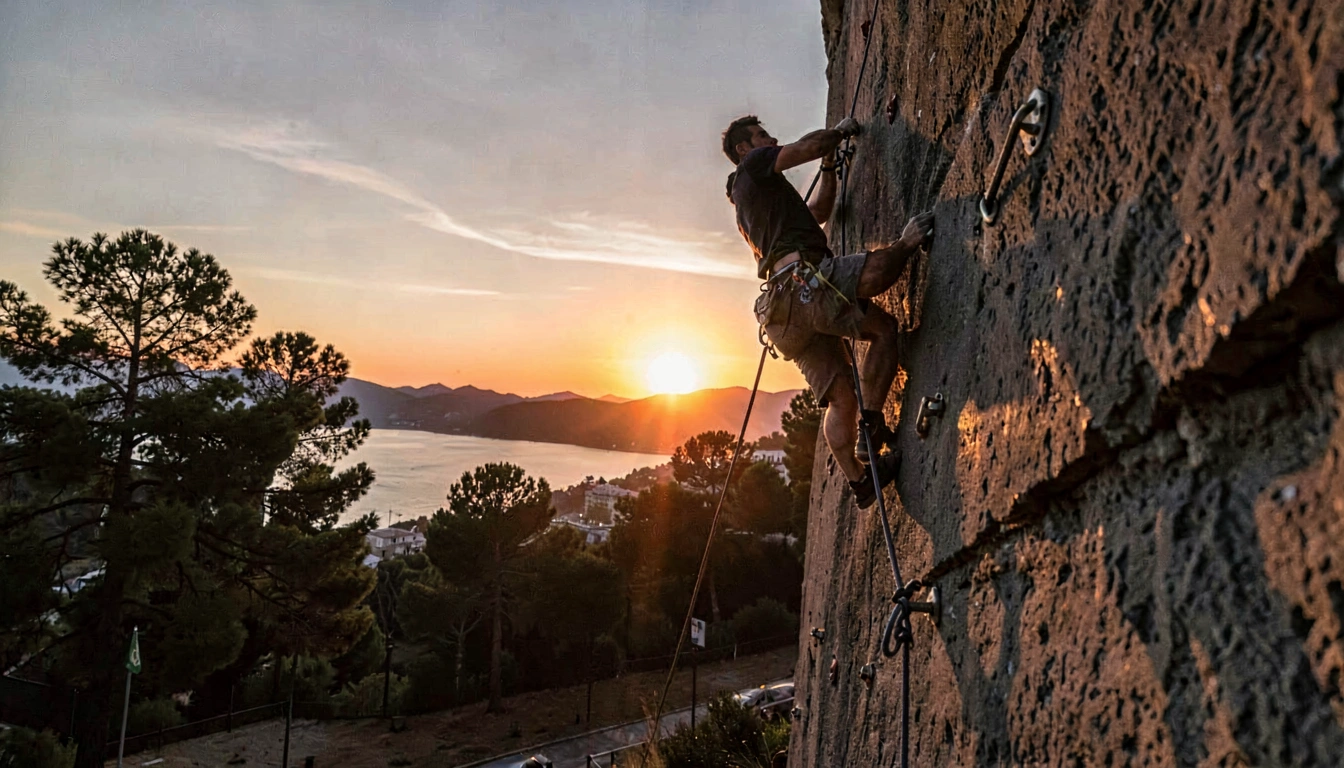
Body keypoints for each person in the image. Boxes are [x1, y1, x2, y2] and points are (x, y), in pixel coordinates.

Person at [722, 115, 934, 508]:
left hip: (783, 316)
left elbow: (818, 211)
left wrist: (830, 165)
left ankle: (860, 481)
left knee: (840, 399)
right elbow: (807, 147)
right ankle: (870, 429)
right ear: (744, 149)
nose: (772, 139)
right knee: (881, 306)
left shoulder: (753, 205)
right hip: (805, 286)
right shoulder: (753, 165)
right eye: (764, 136)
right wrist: (836, 134)